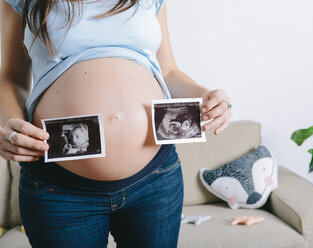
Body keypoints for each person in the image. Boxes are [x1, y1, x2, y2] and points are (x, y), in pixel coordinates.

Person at [0, 0, 232, 247]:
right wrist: (8, 124)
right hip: (61, 189)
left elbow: (168, 72)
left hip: (156, 179)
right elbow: (10, 78)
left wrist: (206, 95)